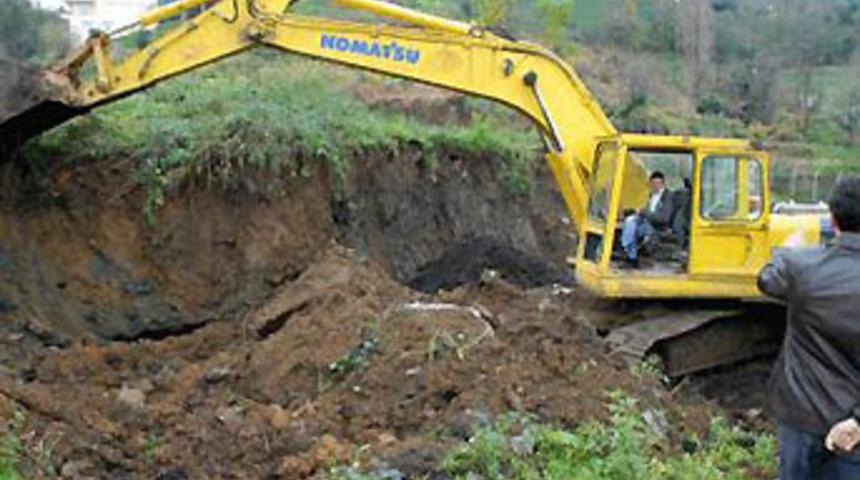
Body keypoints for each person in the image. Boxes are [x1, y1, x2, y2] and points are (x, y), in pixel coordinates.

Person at [758, 175, 860, 480]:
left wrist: (787, 251)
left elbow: (766, 279)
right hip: (853, 428)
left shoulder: (801, 267)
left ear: (833, 218)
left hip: (801, 416)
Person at [620, 171, 675, 268]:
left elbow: (664, 218)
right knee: (630, 221)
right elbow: (647, 211)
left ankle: (630, 254)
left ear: (663, 183)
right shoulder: (651, 195)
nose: (655, 186)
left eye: (658, 183)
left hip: (657, 226)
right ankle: (630, 253)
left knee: (631, 223)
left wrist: (643, 212)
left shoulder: (668, 196)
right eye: (653, 183)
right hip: (647, 222)